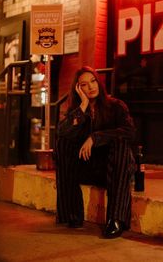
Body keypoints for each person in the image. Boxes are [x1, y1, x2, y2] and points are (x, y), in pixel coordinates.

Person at [55, 66, 136, 238]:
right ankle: (73, 214)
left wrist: (95, 137)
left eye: (93, 81)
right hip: (89, 167)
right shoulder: (77, 112)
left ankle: (115, 219)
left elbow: (129, 132)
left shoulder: (116, 106)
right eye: (84, 85)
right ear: (78, 89)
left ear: (98, 82)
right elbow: (62, 131)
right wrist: (83, 106)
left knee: (120, 143)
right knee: (63, 142)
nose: (91, 87)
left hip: (114, 168)